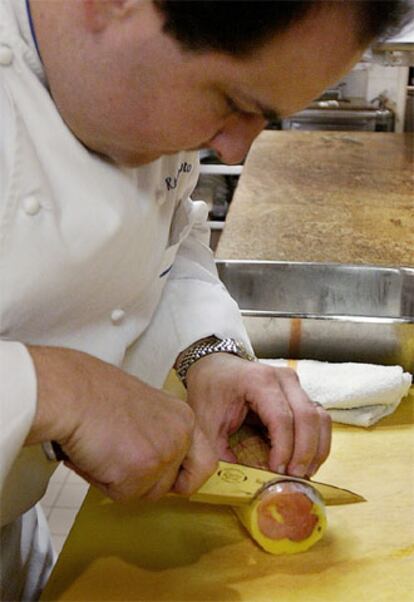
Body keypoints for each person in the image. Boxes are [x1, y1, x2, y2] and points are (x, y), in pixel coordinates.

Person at [0, 0, 411, 599]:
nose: (235, 150)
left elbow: (174, 233)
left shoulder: (138, 84)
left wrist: (207, 353)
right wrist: (53, 389)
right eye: (232, 102)